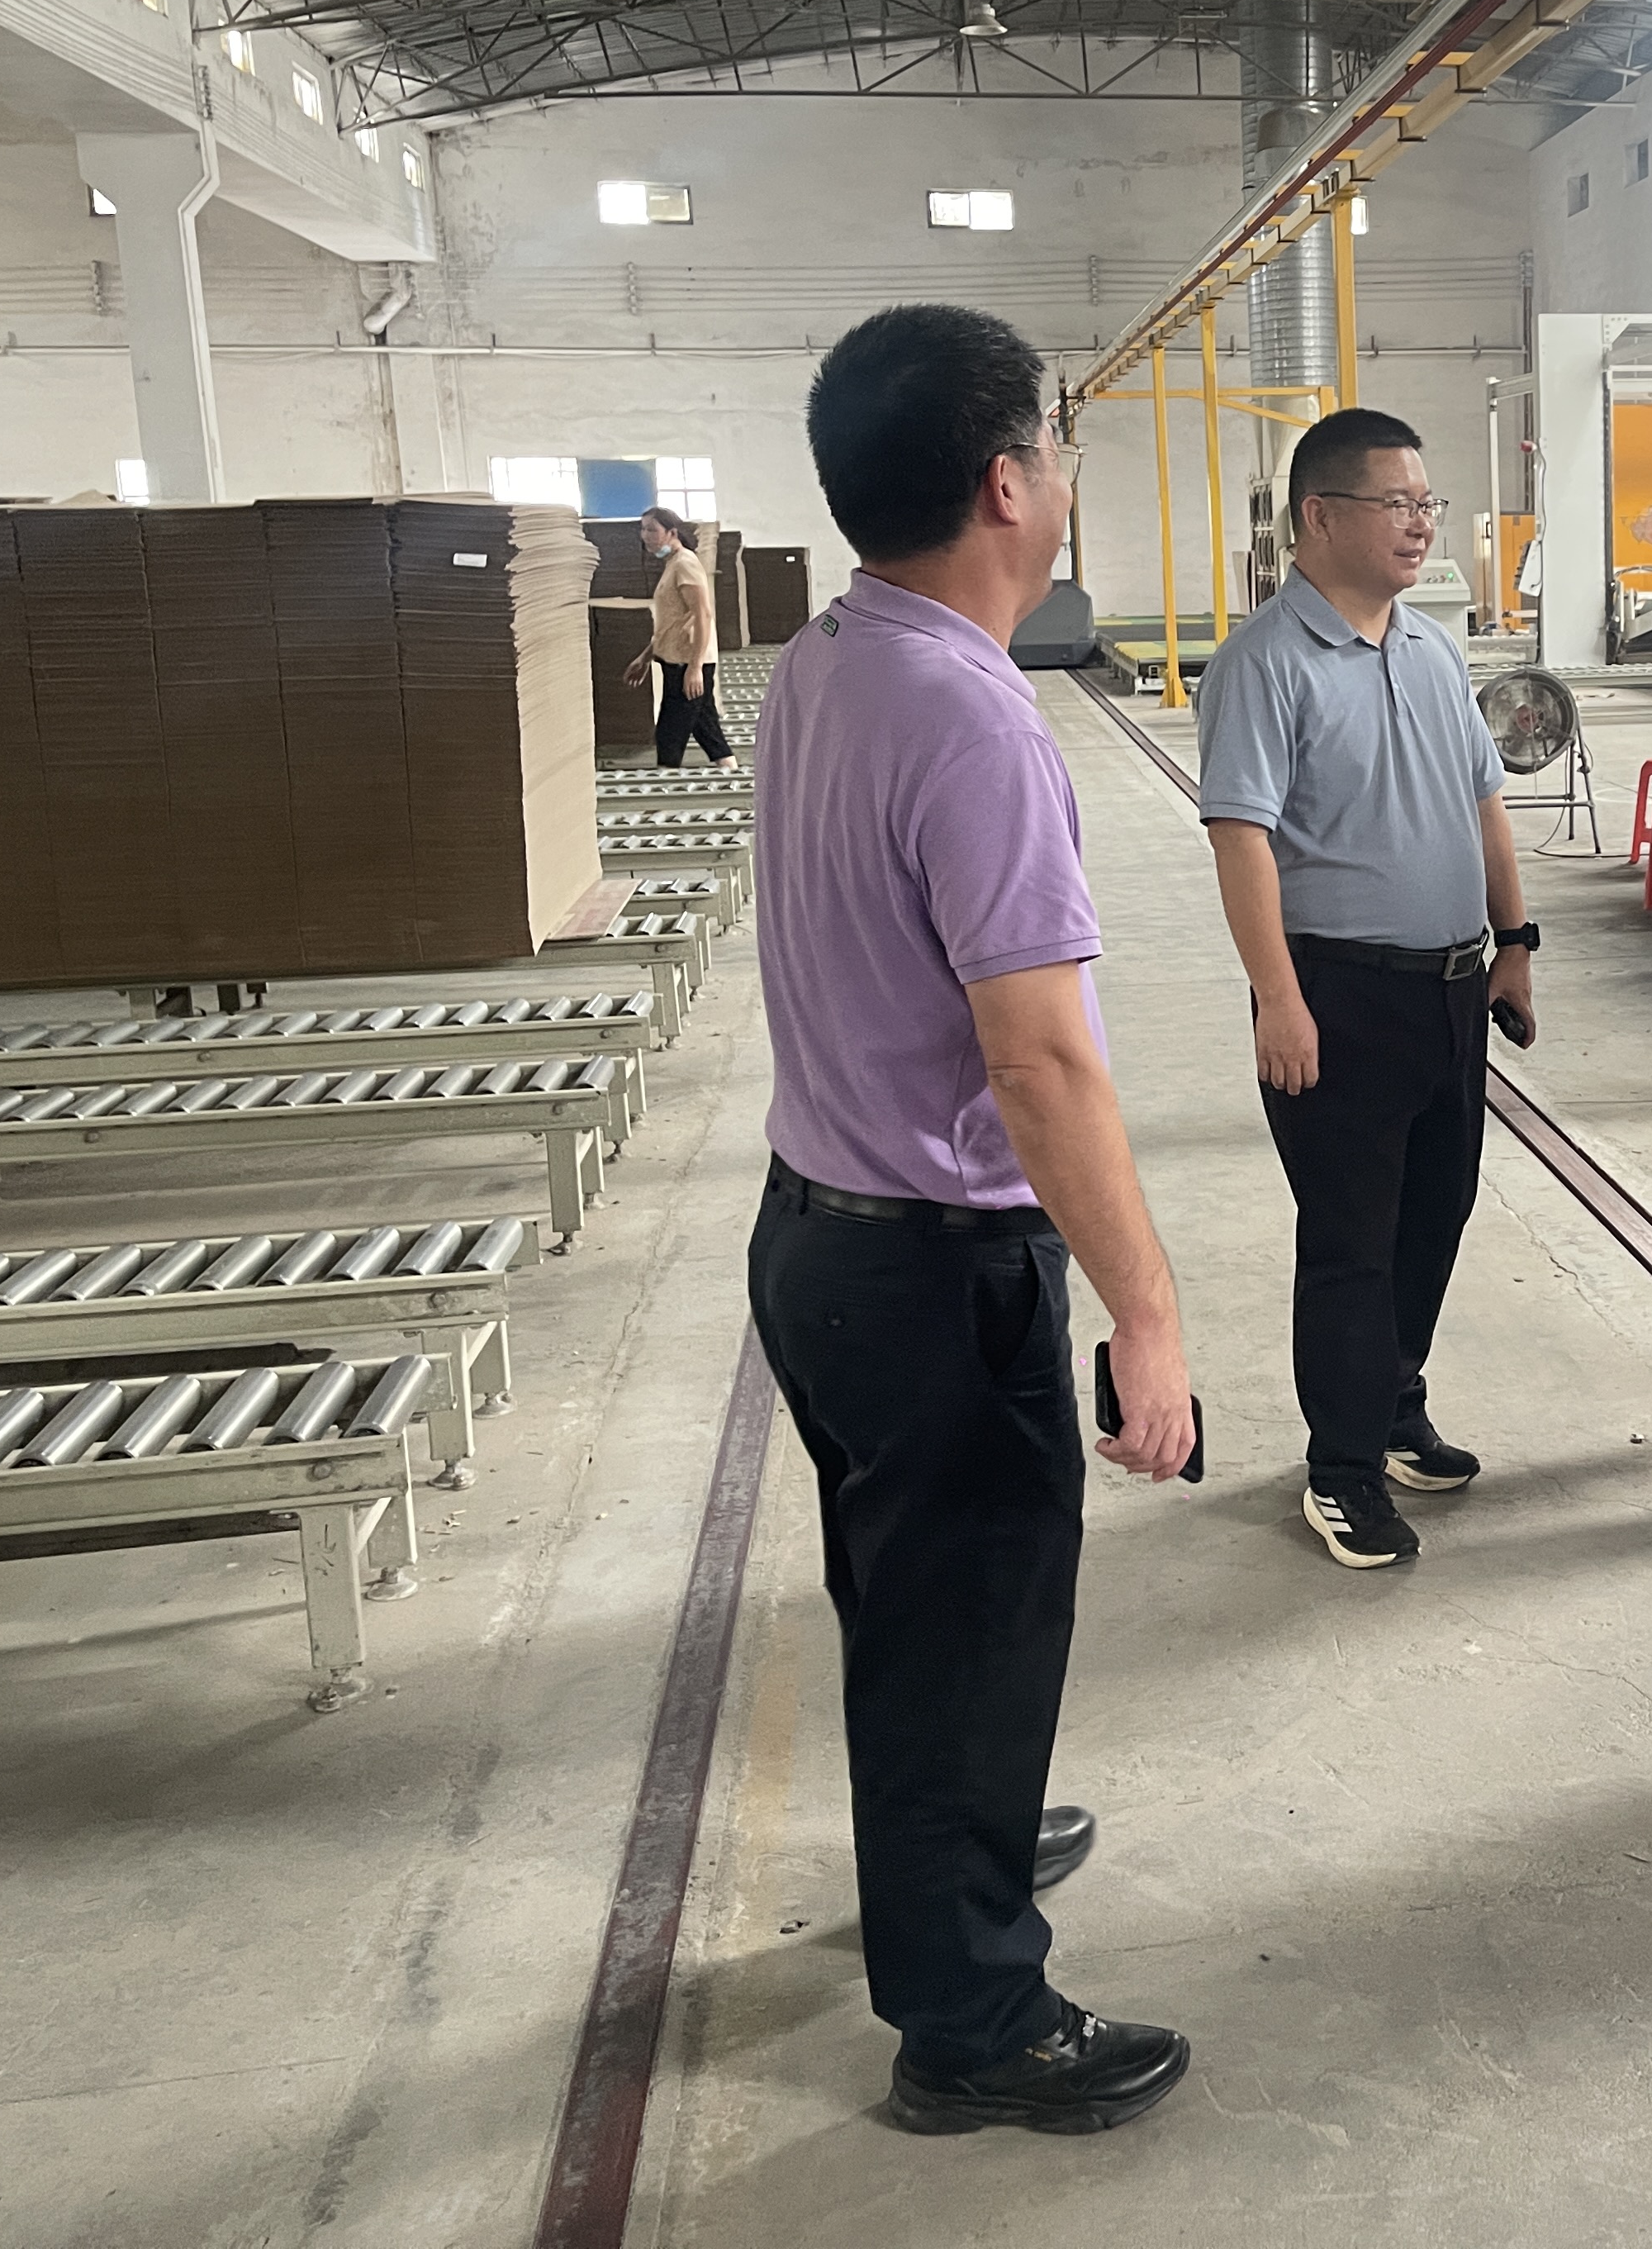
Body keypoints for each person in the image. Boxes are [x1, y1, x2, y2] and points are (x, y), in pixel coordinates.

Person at [748, 303, 1199, 2136]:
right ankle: (972, 2020)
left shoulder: (829, 655)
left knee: (914, 1614)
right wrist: (1147, 1312)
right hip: (935, 1269)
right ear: (1009, 484)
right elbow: (1043, 1063)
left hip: (819, 1237)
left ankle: (954, 1849)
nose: (1069, 476)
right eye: (1060, 446)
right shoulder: (975, 720)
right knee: (972, 1634)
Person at [1195, 407, 1540, 1571]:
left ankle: (1394, 1410)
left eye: (1426, 503)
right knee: (1351, 1239)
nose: (1421, 523)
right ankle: (1340, 1472)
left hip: (1450, 992)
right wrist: (1277, 997)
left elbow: (1485, 802)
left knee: (1436, 1212)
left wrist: (1515, 941)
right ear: (1320, 517)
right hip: (1335, 994)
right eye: (1398, 503)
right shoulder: (1263, 664)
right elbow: (1241, 839)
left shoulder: (1432, 649)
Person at [626, 506, 733, 767]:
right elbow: (672, 622)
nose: (645, 535)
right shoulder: (673, 564)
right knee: (706, 728)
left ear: (672, 532)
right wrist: (645, 657)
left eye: (652, 529)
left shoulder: (685, 564)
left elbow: (702, 614)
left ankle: (663, 782)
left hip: (686, 662)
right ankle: (729, 769)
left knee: (670, 733)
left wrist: (695, 668)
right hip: (677, 659)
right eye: (643, 529)